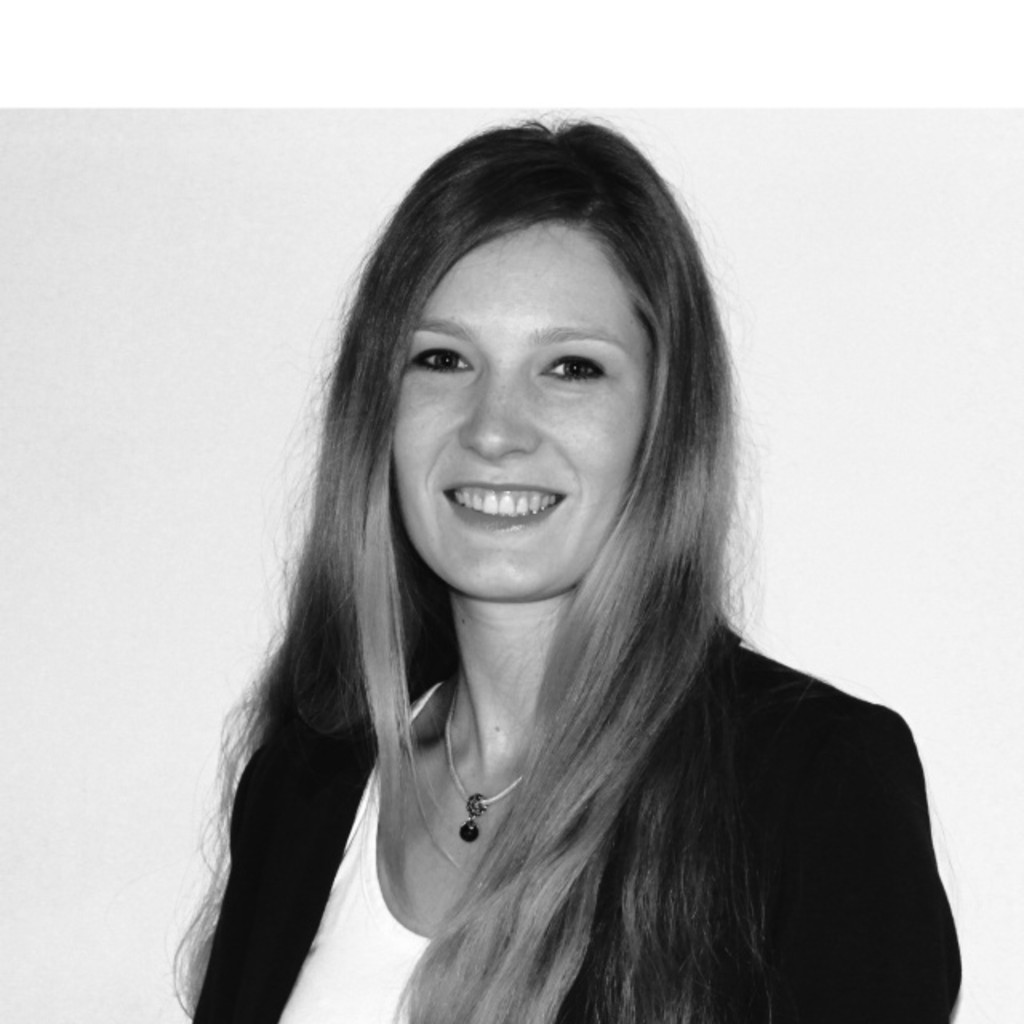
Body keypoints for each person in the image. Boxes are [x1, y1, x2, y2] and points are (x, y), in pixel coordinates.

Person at [180, 119, 960, 1024]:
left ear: (664, 423)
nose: (493, 429)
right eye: (442, 359)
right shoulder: (299, 786)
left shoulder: (813, 790)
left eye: (571, 368)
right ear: (377, 412)